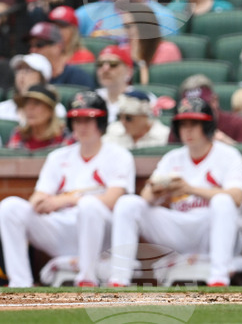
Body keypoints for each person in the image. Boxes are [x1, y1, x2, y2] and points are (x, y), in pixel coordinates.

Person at [108, 94, 242, 287]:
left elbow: (237, 197)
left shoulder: (228, 155)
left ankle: (219, 277)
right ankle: (119, 279)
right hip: (181, 227)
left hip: (212, 228)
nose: (187, 130)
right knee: (128, 203)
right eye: (183, 125)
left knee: (222, 201)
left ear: (207, 126)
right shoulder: (172, 158)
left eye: (194, 124)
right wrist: (159, 190)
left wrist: (190, 189)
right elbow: (145, 197)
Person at [0, 91, 134, 287]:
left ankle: (86, 278)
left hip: (100, 233)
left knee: (89, 205)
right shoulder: (58, 157)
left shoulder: (119, 155)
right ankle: (20, 282)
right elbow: (39, 196)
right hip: (61, 230)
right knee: (9, 206)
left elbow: (112, 200)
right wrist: (40, 202)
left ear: (101, 122)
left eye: (88, 120)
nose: (82, 126)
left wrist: (64, 200)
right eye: (77, 120)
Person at [177, 76, 242, 145]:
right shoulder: (180, 128)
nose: (196, 111)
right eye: (190, 107)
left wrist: (227, 143)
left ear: (215, 101)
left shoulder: (239, 124)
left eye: (202, 105)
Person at [6, 83, 72, 150]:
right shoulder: (19, 134)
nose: (30, 108)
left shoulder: (64, 136)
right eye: (27, 103)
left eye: (36, 103)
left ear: (50, 110)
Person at [103, 90, 170, 150]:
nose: (123, 122)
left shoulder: (165, 136)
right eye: (119, 117)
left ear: (144, 116)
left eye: (128, 118)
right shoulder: (112, 131)